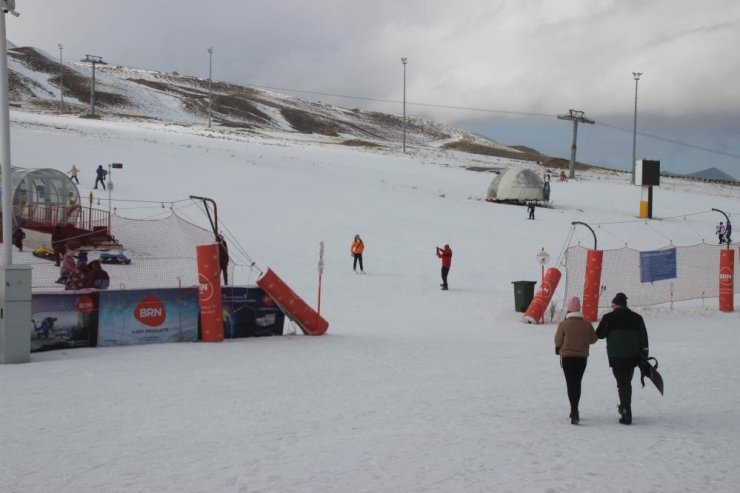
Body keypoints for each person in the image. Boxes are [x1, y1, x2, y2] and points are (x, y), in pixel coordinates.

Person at [596, 292, 649, 425]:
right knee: (626, 382)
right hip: (633, 357)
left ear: (615, 304)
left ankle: (626, 412)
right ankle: (626, 408)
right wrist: (644, 358)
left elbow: (599, 335)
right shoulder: (637, 318)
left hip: (616, 356)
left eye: (612, 304)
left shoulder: (608, 317)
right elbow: (644, 339)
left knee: (622, 383)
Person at [554, 296, 597, 425]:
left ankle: (574, 411)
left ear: (569, 310)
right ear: (579, 310)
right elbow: (593, 339)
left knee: (570, 383)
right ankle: (575, 410)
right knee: (577, 383)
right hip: (581, 359)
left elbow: (557, 341)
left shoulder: (563, 324)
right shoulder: (587, 324)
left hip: (567, 358)